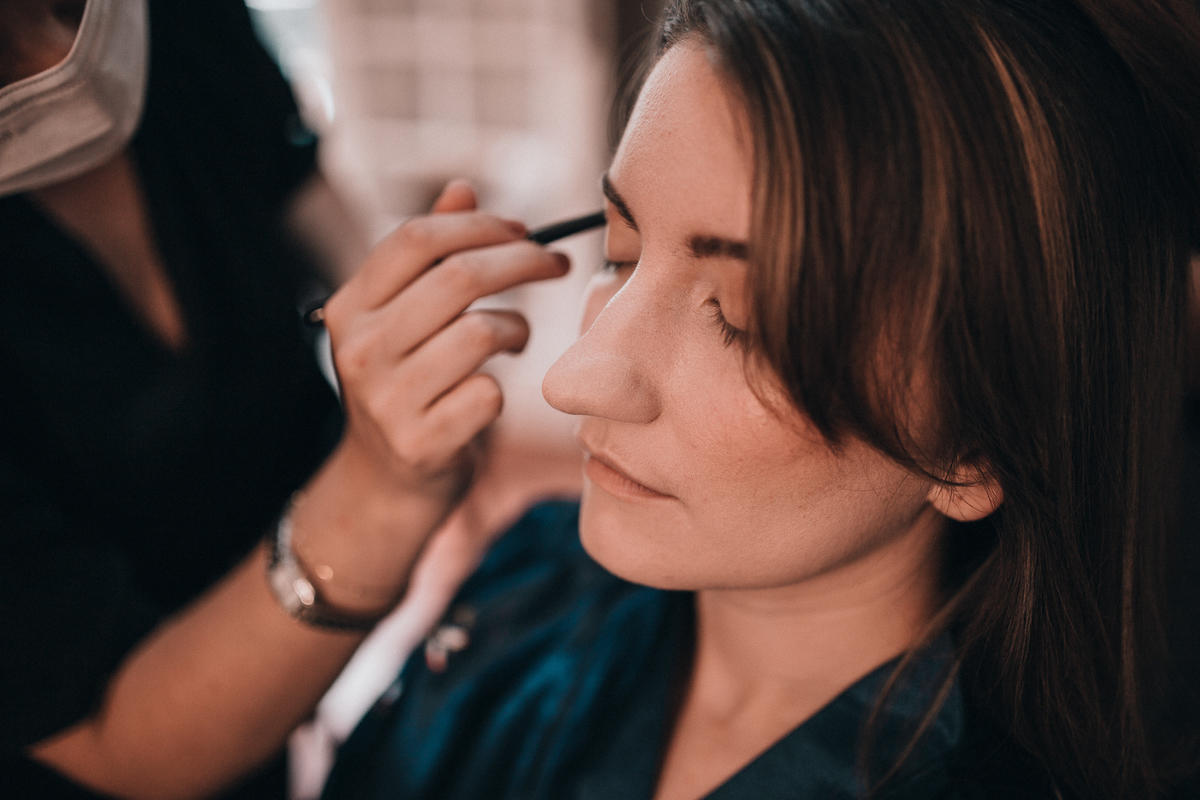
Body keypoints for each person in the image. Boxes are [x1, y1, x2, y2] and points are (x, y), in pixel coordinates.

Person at [310, 1, 1200, 799]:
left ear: (976, 447)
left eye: (743, 321)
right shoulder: (531, 580)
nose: (572, 376)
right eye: (620, 252)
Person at [1, 1, 569, 798]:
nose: (50, 51)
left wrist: (391, 307)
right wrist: (383, 490)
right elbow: (114, 743)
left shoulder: (170, 25)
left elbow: (294, 184)